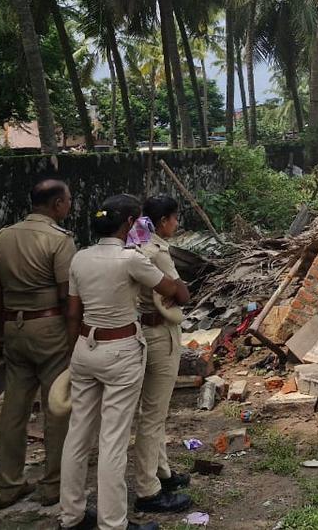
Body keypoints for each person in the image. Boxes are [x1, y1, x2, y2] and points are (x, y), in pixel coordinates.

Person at [59, 194, 188, 530]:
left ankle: (70, 516)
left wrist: (74, 355)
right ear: (132, 223)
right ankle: (113, 522)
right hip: (121, 349)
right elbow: (175, 291)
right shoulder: (130, 259)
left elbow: (73, 313)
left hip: (84, 348)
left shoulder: (80, 258)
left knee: (78, 435)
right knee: (113, 439)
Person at [0, 178, 76, 509]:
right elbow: (68, 297)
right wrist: (73, 341)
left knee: (14, 407)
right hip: (49, 325)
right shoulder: (58, 240)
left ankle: (8, 485)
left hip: (14, 327)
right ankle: (53, 484)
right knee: (56, 406)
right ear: (56, 204)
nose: (69, 205)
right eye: (68, 200)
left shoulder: (3, 238)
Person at [132, 195, 192, 515]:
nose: (177, 224)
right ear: (165, 221)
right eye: (175, 218)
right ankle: (148, 488)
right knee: (153, 415)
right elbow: (180, 292)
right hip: (160, 334)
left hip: (141, 332)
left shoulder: (134, 246)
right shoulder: (157, 252)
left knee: (153, 411)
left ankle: (162, 472)